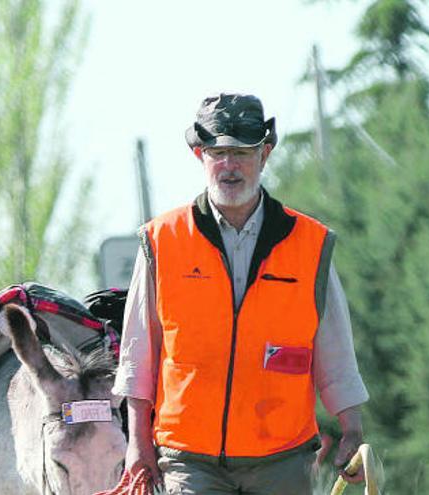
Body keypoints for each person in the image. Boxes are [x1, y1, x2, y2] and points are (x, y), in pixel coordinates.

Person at [113, 94, 369, 494]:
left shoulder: (311, 245)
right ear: (200, 155)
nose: (229, 165)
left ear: (265, 154)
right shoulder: (162, 241)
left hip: (283, 459)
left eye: (242, 152)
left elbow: (336, 354)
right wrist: (137, 443)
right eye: (218, 152)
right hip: (188, 459)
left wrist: (352, 430)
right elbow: (137, 355)